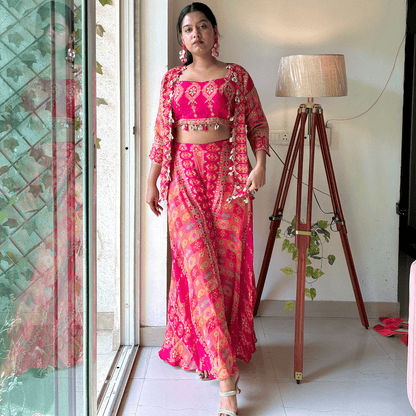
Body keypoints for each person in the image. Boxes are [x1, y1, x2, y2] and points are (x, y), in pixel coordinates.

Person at [146, 3, 269, 415]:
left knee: (226, 272)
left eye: (202, 26)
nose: (195, 33)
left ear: (215, 33)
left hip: (229, 179)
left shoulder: (236, 76)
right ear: (181, 39)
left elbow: (257, 124)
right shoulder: (171, 80)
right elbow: (162, 135)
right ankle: (226, 380)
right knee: (198, 268)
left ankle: (214, 352)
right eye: (187, 28)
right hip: (183, 180)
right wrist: (150, 181)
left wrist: (260, 165)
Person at [0, 1, 83, 383]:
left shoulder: (80, 77)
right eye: (45, 26)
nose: (51, 32)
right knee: (34, 266)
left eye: (59, 27)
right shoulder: (26, 74)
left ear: (71, 34)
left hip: (70, 180)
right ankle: (25, 350)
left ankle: (56, 350)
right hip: (33, 181)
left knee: (62, 264)